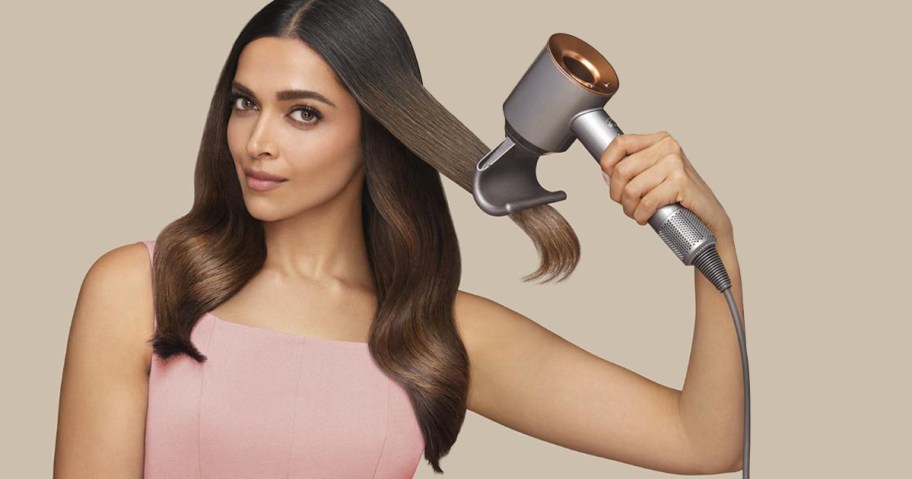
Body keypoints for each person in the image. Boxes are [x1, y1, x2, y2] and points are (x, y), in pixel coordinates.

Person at [54, 0, 745, 477]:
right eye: (244, 103)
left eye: (302, 113)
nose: (257, 142)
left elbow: (704, 438)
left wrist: (719, 239)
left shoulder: (435, 333)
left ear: (377, 130)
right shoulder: (140, 291)